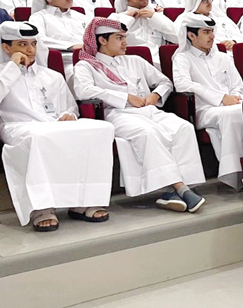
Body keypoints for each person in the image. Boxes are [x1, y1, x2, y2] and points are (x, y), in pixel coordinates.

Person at [73, 18, 207, 210]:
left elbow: (165, 82)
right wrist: (126, 97)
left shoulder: (135, 61)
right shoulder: (86, 66)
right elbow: (84, 91)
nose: (125, 42)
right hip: (117, 114)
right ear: (102, 40)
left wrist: (156, 94)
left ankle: (180, 189)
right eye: (119, 38)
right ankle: (179, 187)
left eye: (125, 37)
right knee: (147, 133)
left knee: (183, 127)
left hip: (149, 109)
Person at [0, 21, 114, 231]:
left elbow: (70, 107)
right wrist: (12, 69)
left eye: (33, 44)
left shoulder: (51, 75)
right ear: (6, 47)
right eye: (22, 44)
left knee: (100, 130)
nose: (30, 50)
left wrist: (68, 115)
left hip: (53, 125)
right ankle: (42, 208)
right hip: (18, 126)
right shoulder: (2, 74)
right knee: (38, 138)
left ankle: (82, 202)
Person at [172, 13, 243, 189]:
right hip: (203, 109)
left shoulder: (223, 57)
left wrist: (236, 97)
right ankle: (235, 174)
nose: (212, 36)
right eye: (206, 32)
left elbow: (238, 85)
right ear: (191, 35)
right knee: (231, 115)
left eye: (212, 31)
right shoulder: (182, 58)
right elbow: (182, 84)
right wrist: (221, 98)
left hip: (231, 105)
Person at [111, 0, 177, 66]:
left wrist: (155, 17)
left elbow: (178, 38)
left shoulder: (156, 17)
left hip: (156, 65)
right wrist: (128, 18)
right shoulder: (116, 18)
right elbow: (109, 41)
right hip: (126, 65)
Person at [28, 0, 88, 74]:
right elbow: (39, 40)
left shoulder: (82, 17)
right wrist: (71, 46)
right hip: (66, 62)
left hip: (90, 59)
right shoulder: (39, 17)